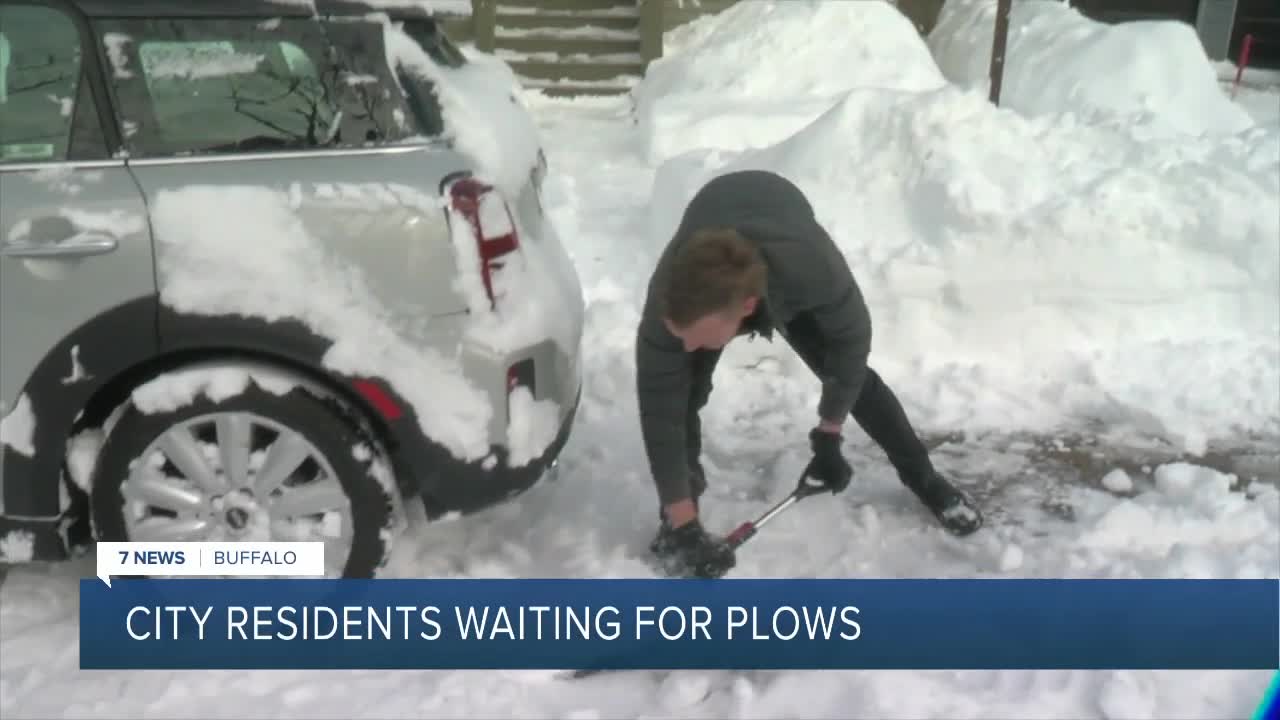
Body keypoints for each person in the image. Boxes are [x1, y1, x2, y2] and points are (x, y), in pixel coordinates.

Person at [634, 169, 984, 579]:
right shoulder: (668, 304)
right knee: (682, 397)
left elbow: (850, 351)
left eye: (697, 337)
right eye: (680, 336)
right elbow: (662, 413)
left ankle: (925, 478)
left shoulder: (814, 272)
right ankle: (679, 523)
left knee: (854, 381)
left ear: (746, 309)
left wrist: (829, 435)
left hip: (781, 232)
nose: (688, 347)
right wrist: (684, 523)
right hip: (715, 221)